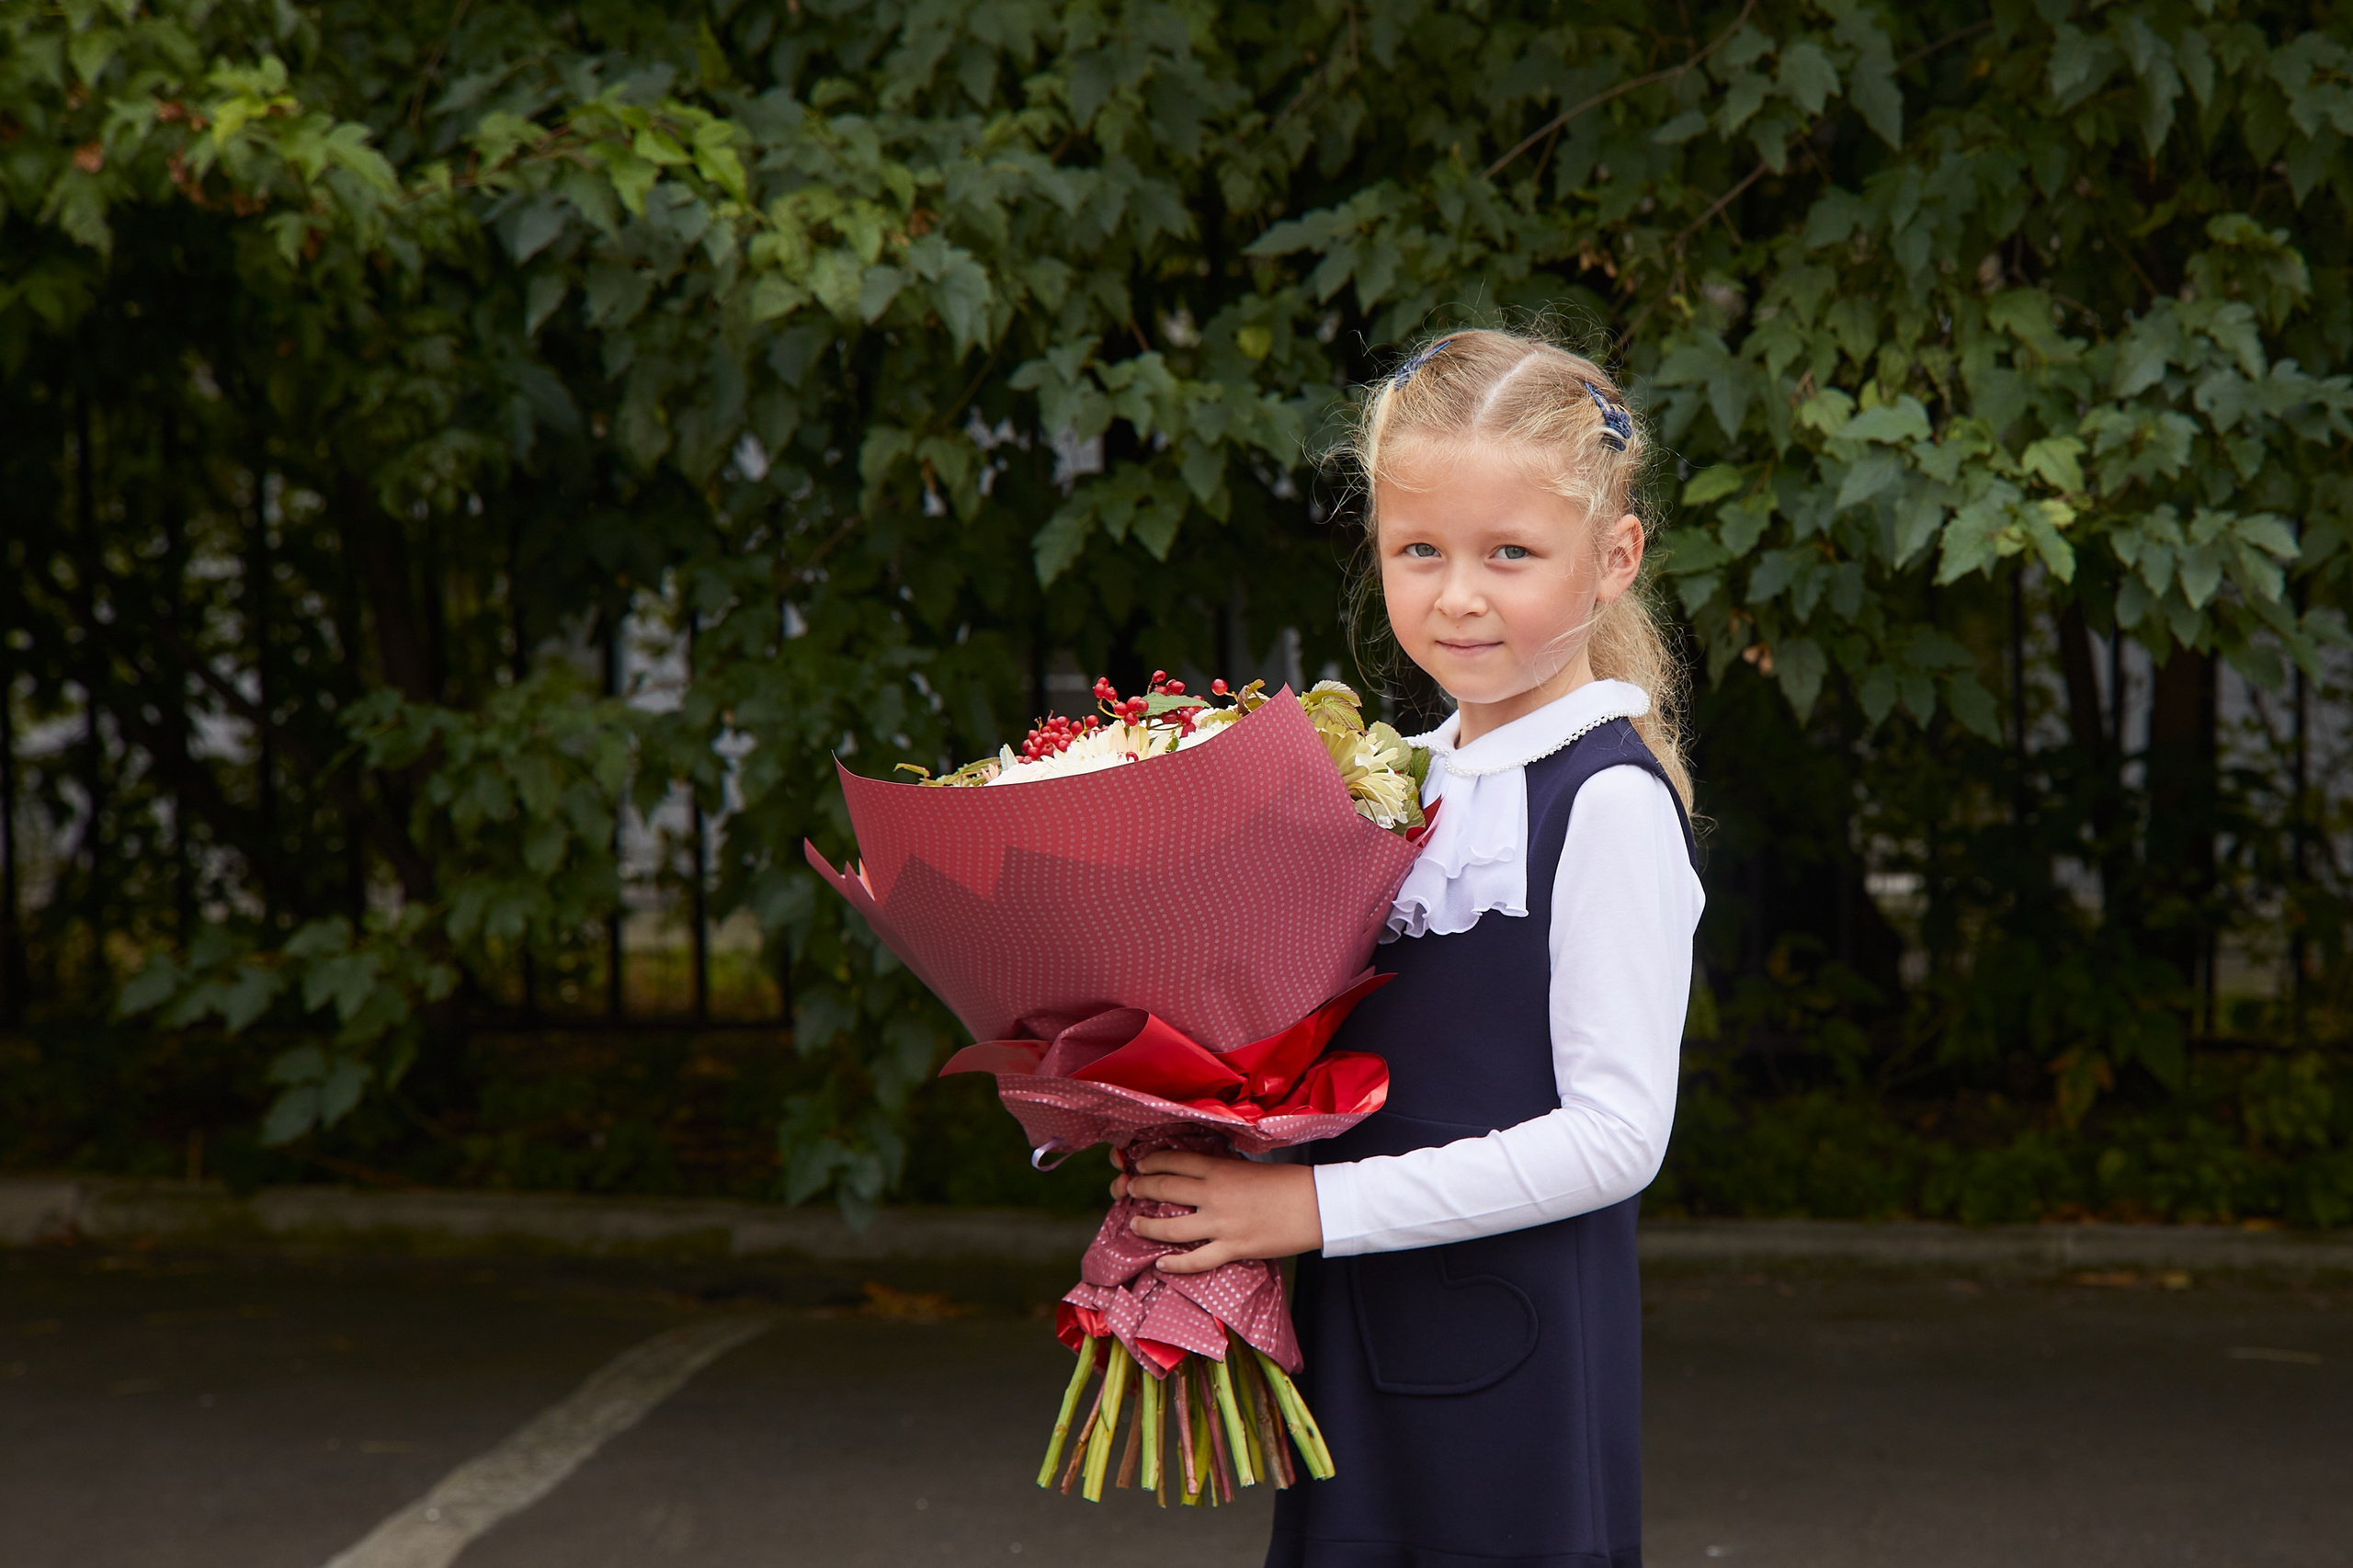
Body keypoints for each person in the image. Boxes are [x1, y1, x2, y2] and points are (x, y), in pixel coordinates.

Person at [1110, 326, 1703, 1567]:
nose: (1459, 593)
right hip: (1361, 1354)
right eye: (1418, 550)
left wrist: (1302, 1205)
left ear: (1614, 558)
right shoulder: (1390, 784)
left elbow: (1616, 1137)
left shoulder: (1605, 801)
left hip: (1512, 1387)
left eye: (1511, 553)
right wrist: (1188, 1128)